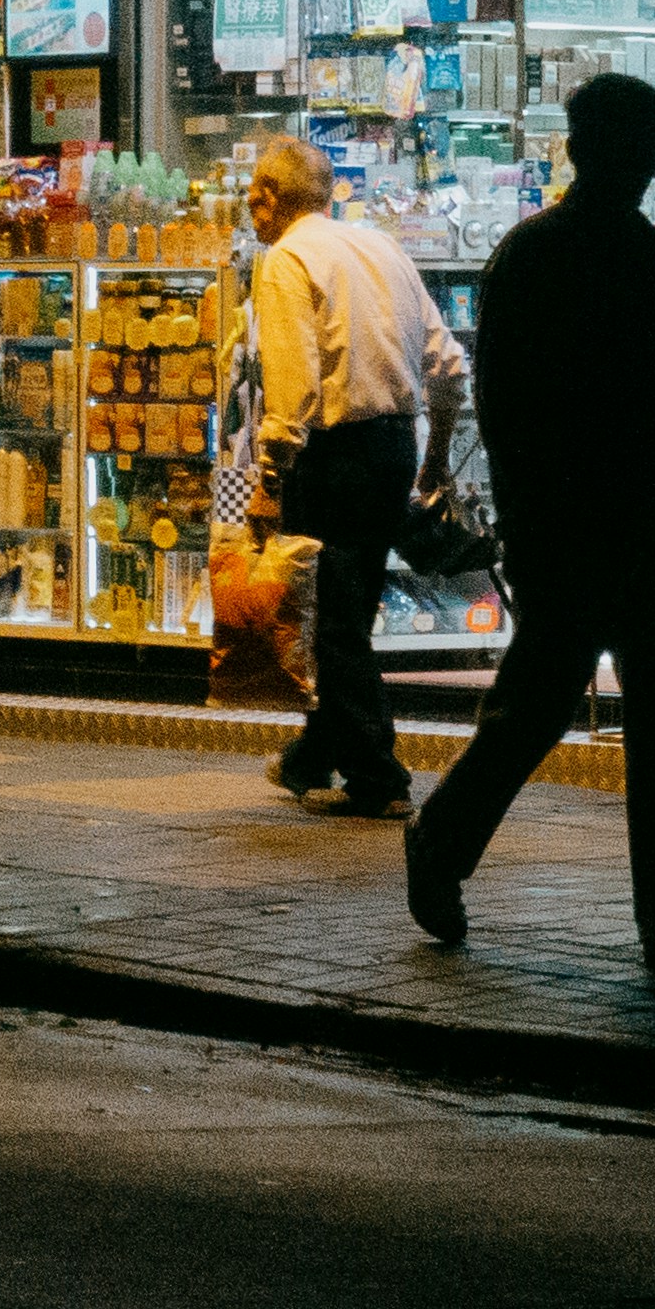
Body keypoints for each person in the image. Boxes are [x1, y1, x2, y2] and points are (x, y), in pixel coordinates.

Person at [407, 74, 655, 982]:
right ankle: (443, 839)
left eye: (651, 146)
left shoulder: (598, 253)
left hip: (625, 529)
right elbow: (516, 407)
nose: (650, 162)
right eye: (640, 145)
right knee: (551, 712)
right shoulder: (561, 255)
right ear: (598, 150)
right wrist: (534, 520)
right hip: (590, 528)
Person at [245, 136, 467, 817]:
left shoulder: (287, 259)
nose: (250, 206)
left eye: (254, 194)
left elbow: (293, 387)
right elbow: (449, 366)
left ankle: (379, 777)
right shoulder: (382, 247)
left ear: (271, 198)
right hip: (394, 444)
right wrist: (435, 457)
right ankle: (313, 755)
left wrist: (270, 479)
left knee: (333, 623)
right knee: (345, 608)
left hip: (331, 456)